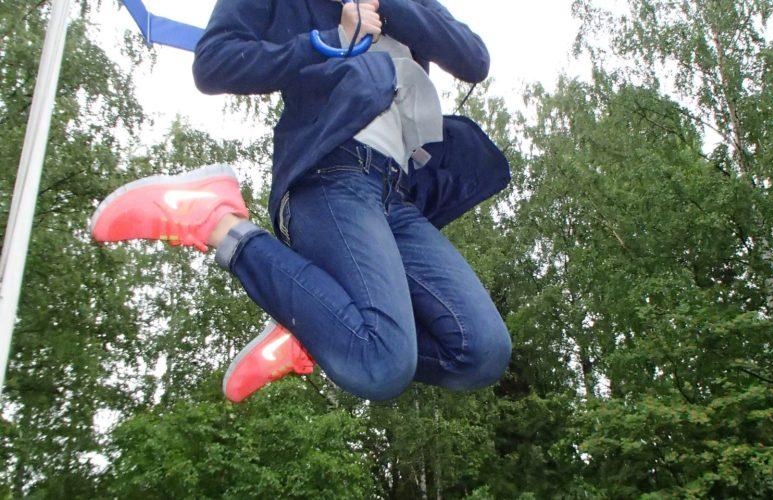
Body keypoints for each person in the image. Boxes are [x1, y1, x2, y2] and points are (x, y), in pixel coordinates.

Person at [91, 0, 512, 403]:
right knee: (382, 364)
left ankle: (320, 324)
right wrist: (328, 40)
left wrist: (387, 5)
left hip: (396, 194)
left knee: (482, 353)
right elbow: (214, 62)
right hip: (330, 172)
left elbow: (474, 59)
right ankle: (217, 222)